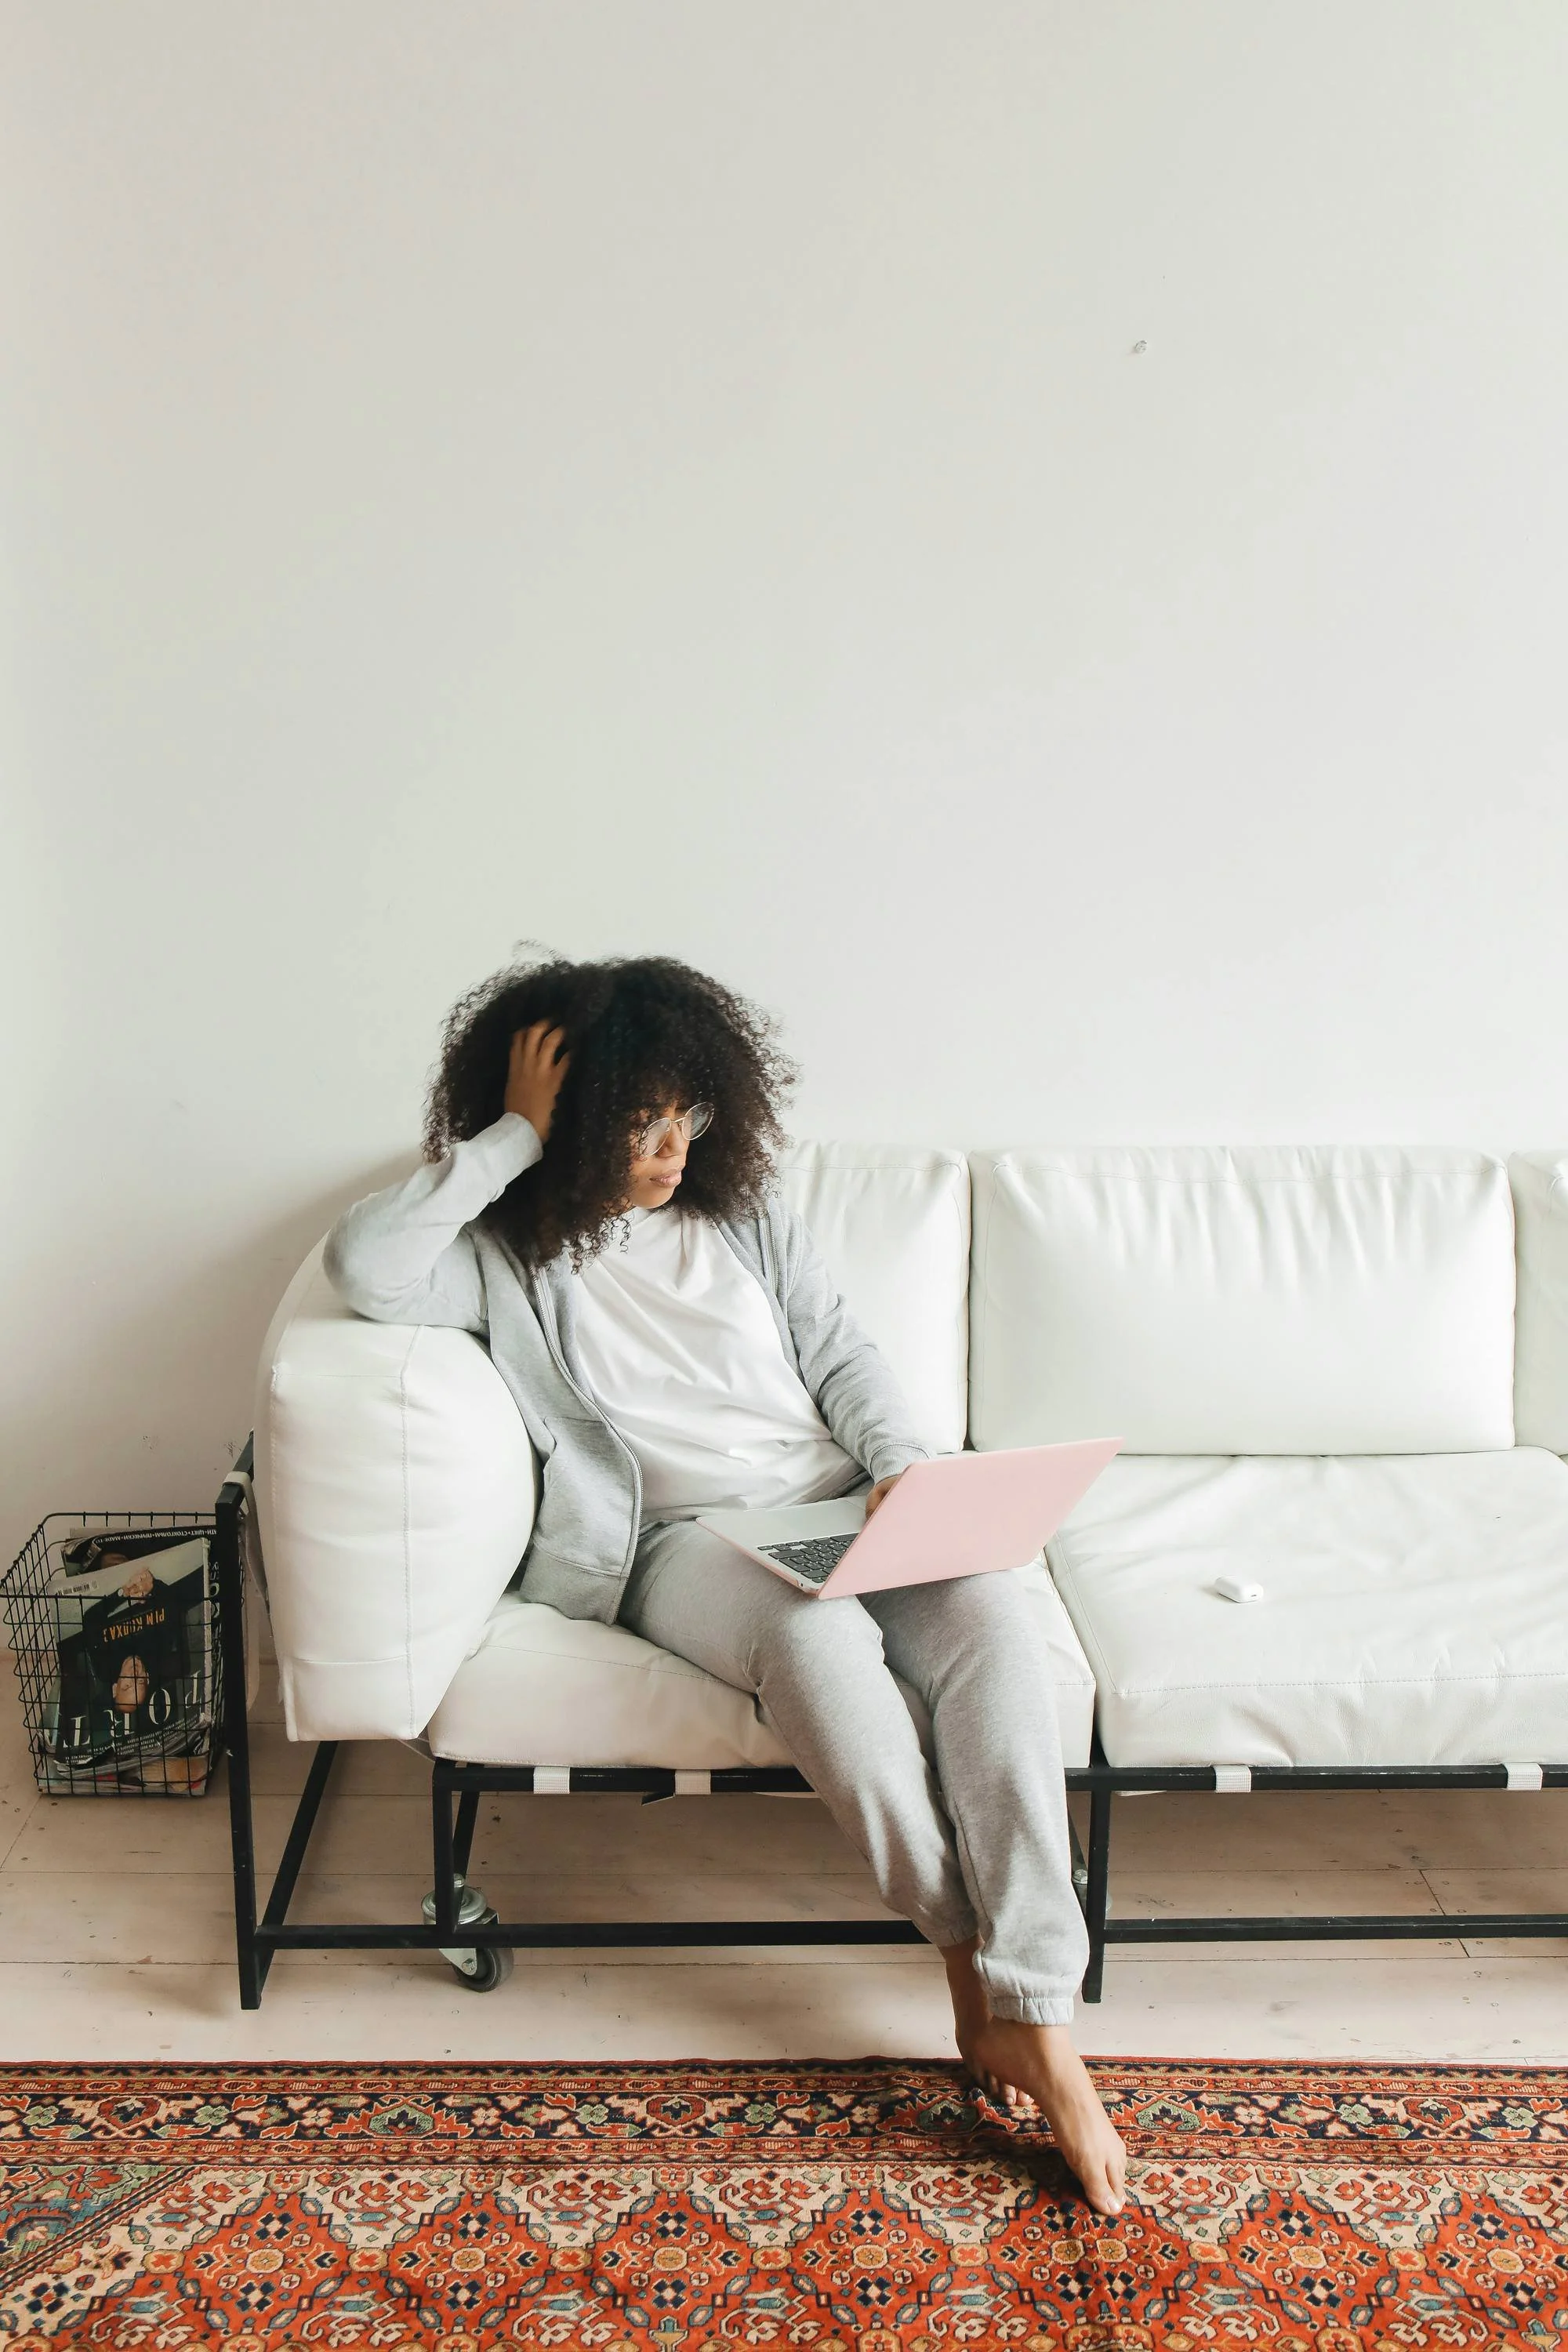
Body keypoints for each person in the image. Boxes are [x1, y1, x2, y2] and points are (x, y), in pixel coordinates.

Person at [325, 953, 1126, 2213]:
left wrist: (903, 1470)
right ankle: (976, 1965)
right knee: (817, 1652)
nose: (672, 1145)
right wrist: (511, 1142)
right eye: (637, 1123)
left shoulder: (744, 1211)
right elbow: (363, 1270)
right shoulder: (498, 1250)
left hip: (830, 1496)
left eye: (685, 1112)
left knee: (996, 1628)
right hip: (681, 1540)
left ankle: (1037, 2004)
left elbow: (843, 1352)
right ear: (570, 1124)